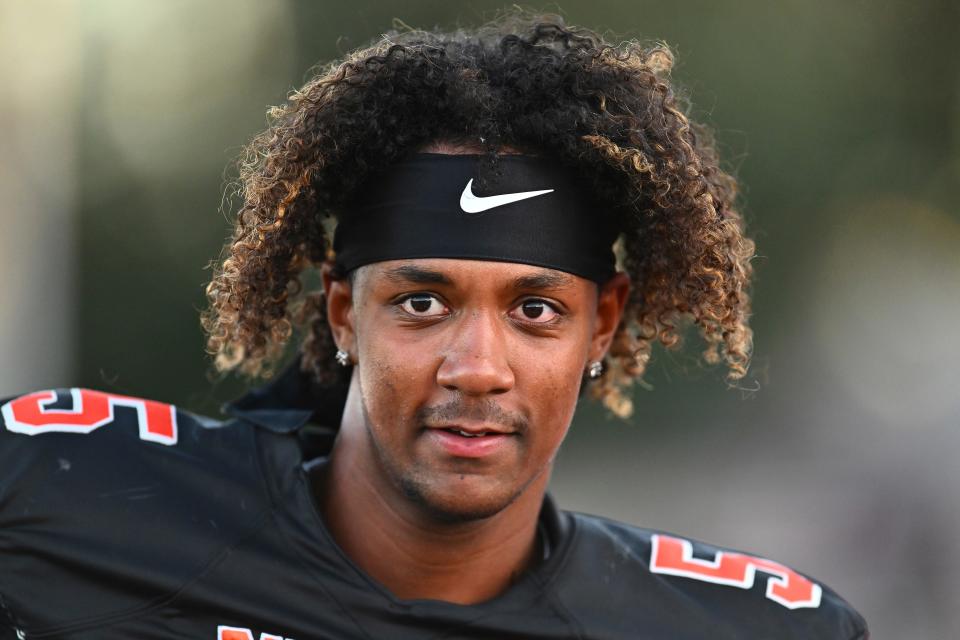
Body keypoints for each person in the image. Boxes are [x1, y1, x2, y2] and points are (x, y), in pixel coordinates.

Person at [0, 12, 868, 640]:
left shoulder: (749, 628)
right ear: (345, 311)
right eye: (423, 303)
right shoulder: (58, 499)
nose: (478, 367)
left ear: (601, 327)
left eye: (536, 311)